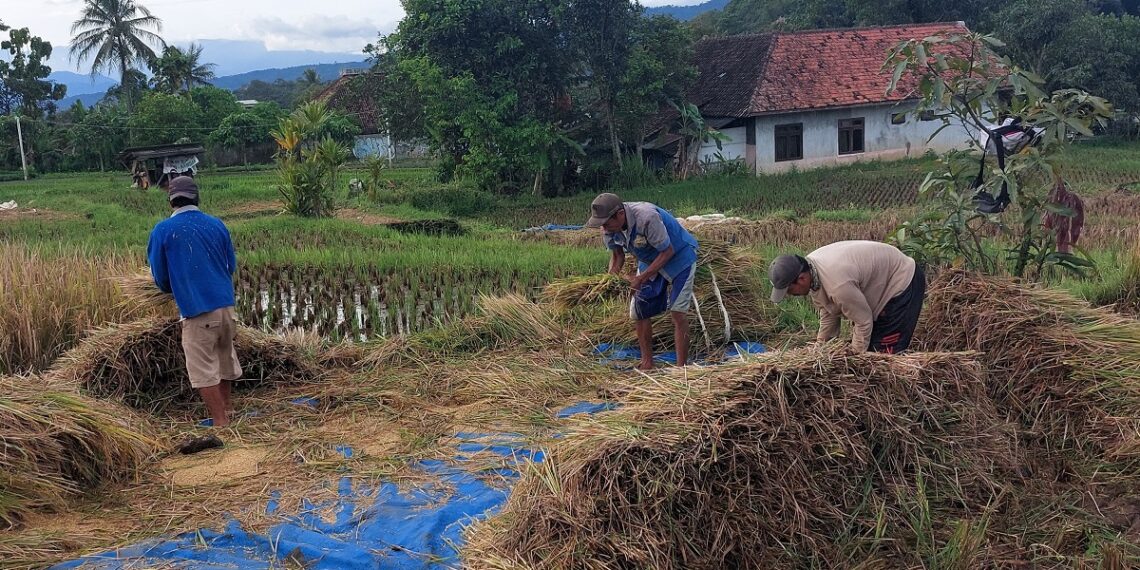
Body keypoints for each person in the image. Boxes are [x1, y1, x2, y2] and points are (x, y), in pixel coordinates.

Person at [148, 176, 243, 431]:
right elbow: (230, 266)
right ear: (196, 197)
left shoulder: (163, 231)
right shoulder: (216, 224)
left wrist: (176, 288)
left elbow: (161, 277)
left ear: (171, 202)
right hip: (226, 306)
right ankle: (228, 409)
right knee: (224, 357)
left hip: (197, 310)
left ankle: (220, 422)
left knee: (203, 368)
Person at [585, 193, 699, 370]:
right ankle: (647, 362)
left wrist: (640, 278)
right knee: (639, 312)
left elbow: (667, 251)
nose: (604, 228)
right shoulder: (608, 229)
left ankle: (681, 368)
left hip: (678, 257)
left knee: (677, 312)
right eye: (601, 224)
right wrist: (609, 282)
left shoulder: (646, 217)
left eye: (607, 223)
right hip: (649, 261)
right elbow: (617, 256)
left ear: (620, 214)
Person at [768, 240, 925, 354]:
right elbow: (828, 312)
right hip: (878, 283)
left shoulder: (838, 285)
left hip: (901, 281)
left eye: (789, 290)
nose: (789, 295)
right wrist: (821, 349)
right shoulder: (811, 270)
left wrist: (855, 358)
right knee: (871, 346)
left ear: (801, 278)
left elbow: (863, 321)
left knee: (883, 355)